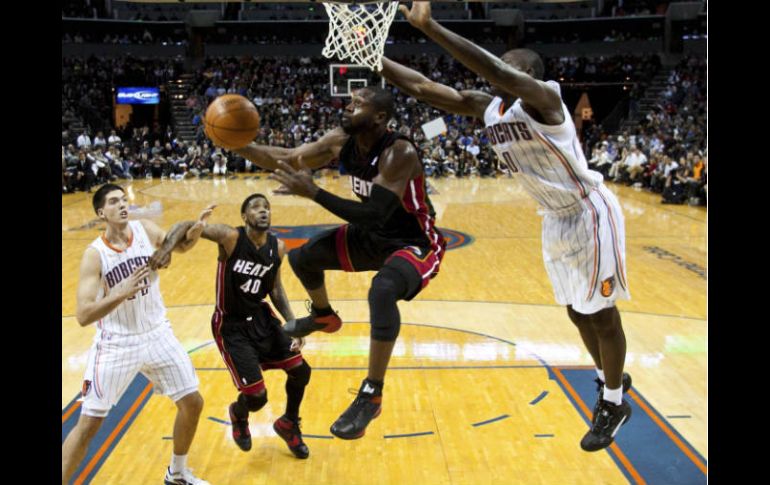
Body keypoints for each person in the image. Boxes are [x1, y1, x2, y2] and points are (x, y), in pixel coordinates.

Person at [379, 2, 631, 452]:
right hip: (554, 219)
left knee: (601, 315)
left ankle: (614, 400)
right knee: (576, 311)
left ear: (528, 74)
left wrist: (429, 26)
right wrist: (373, 55)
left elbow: (501, 72)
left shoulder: (546, 99)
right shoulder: (491, 108)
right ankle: (610, 375)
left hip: (589, 211)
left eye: (508, 67)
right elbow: (424, 87)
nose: (497, 73)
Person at [224, 85, 445, 440]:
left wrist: (313, 191)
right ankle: (324, 315)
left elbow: (374, 214)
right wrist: (240, 146)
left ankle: (372, 393)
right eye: (351, 101)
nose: (349, 106)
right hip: (372, 236)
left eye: (358, 104)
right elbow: (290, 155)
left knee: (383, 290)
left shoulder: (398, 152)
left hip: (413, 240)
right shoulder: (340, 140)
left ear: (380, 117)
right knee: (303, 257)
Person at [62, 184, 212, 484]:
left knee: (192, 402)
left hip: (157, 333)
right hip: (116, 344)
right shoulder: (96, 255)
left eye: (123, 199)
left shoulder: (143, 228)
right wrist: (120, 292)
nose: (122, 205)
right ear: (100, 212)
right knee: (89, 424)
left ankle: (177, 473)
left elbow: (178, 247)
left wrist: (196, 229)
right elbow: (82, 315)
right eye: (114, 201)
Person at [151, 194, 313, 459]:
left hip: (263, 319)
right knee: (257, 398)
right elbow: (184, 224)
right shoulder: (230, 238)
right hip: (231, 326)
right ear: (244, 217)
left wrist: (292, 323)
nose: (263, 211)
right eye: (256, 208)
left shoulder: (278, 248)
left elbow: (275, 288)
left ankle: (289, 423)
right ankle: (239, 414)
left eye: (266, 208)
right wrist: (166, 249)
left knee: (301, 370)